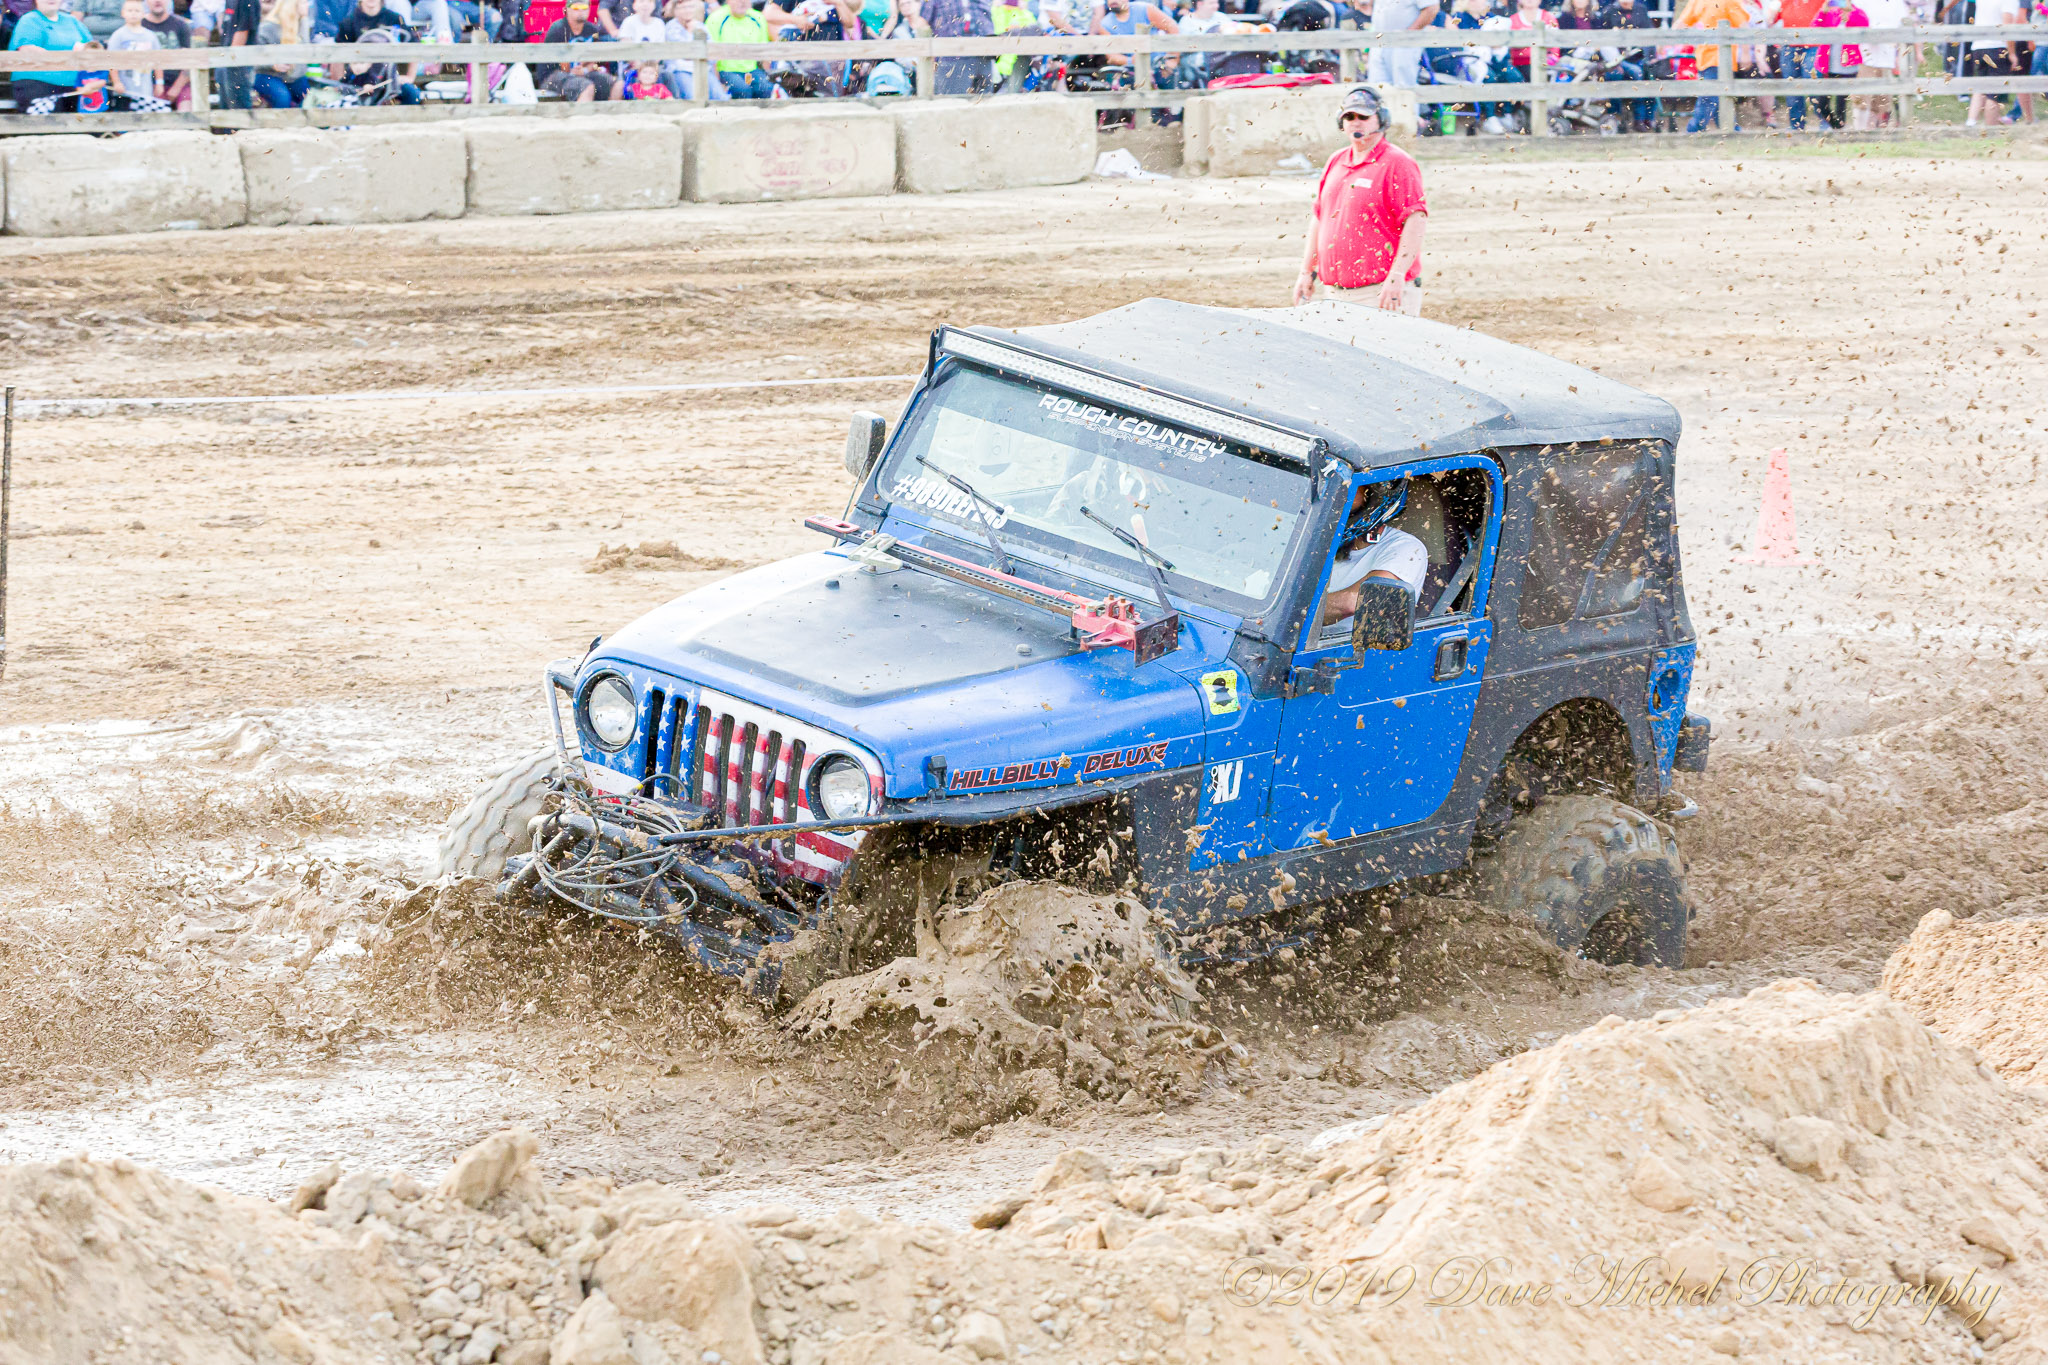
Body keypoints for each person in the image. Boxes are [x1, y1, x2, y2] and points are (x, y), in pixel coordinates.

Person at [1294, 86, 1429, 316]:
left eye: (1364, 117)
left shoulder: (1397, 162)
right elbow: (1319, 218)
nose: (1356, 122)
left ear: (1381, 119)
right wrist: (1306, 271)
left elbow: (1416, 220)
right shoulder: (1336, 160)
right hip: (1335, 292)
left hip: (1381, 291)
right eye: (1350, 117)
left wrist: (1397, 275)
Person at [1319, 479, 1428, 629]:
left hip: (1346, 643)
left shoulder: (1408, 548)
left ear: (1378, 492)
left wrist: (1293, 613)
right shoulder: (1322, 537)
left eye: (1352, 483)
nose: (1340, 488)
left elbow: (1352, 602)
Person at [7, 0, 96, 111]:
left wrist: (84, 49)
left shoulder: (72, 21)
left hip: (76, 87)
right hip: (38, 85)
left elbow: (93, 48)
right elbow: (28, 51)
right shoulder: (29, 20)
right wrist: (70, 56)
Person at [1675, 0, 1747, 130]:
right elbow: (1682, 23)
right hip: (1703, 59)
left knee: (1708, 97)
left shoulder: (1729, 1)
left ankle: (1693, 130)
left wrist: (1746, 53)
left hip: (1721, 59)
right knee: (1717, 101)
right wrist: (1664, 40)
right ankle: (1733, 132)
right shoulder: (1696, 1)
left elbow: (1744, 27)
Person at [538, 0, 624, 97]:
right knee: (586, 87)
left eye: (584, 7)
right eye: (576, 7)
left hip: (582, 74)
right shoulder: (558, 29)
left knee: (617, 84)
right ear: (567, 9)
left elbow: (596, 60)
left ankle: (612, 107)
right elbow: (559, 65)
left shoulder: (592, 30)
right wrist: (576, 71)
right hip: (552, 76)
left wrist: (585, 70)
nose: (580, 11)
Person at [1967, 0, 2032, 125]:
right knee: (1994, 94)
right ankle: (1991, 129)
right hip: (1997, 47)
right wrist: (2012, 53)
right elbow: (2007, 27)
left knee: (1981, 87)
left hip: (1978, 47)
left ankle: (1971, 122)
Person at [923, 0, 991, 93]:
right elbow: (922, 23)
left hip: (983, 57)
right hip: (952, 59)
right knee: (953, 99)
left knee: (986, 99)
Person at [707, 0, 772, 97]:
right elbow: (711, 56)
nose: (742, 2)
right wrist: (717, 83)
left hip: (750, 71)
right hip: (725, 71)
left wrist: (767, 76)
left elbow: (765, 53)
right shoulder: (716, 18)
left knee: (766, 88)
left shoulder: (758, 17)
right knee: (742, 90)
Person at [1367, 0, 1438, 87]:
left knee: (1404, 87)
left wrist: (1408, 34)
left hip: (1405, 46)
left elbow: (1431, 9)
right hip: (1379, 43)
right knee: (1376, 87)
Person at [252, 0, 310, 105]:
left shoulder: (300, 25)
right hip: (267, 74)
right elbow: (254, 59)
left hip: (293, 77)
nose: (306, 7)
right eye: (303, 3)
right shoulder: (267, 28)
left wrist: (304, 19)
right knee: (282, 97)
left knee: (308, 98)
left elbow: (305, 51)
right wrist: (273, 65)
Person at [105, 0, 158, 100]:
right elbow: (111, 60)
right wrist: (116, 82)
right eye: (130, 10)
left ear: (143, 13)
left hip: (145, 89)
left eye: (137, 11)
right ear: (123, 13)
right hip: (124, 90)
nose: (133, 13)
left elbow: (158, 61)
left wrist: (159, 83)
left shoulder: (150, 36)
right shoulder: (118, 35)